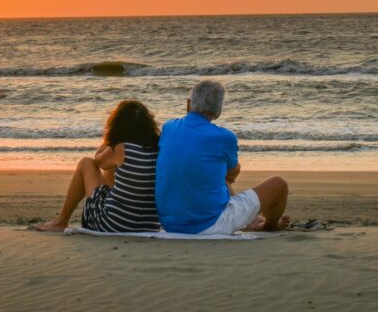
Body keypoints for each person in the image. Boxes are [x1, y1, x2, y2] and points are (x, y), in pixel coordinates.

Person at [155, 80, 289, 234]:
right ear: (218, 111)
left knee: (210, 172)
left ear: (188, 104)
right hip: (210, 225)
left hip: (170, 223)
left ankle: (249, 219)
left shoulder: (168, 127)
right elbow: (233, 172)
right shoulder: (225, 137)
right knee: (279, 184)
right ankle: (268, 226)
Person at [36, 99, 160, 233]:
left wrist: (110, 139)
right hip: (148, 225)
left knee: (86, 163)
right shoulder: (159, 148)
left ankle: (61, 221)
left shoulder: (121, 148)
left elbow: (98, 161)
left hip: (112, 225)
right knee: (113, 168)